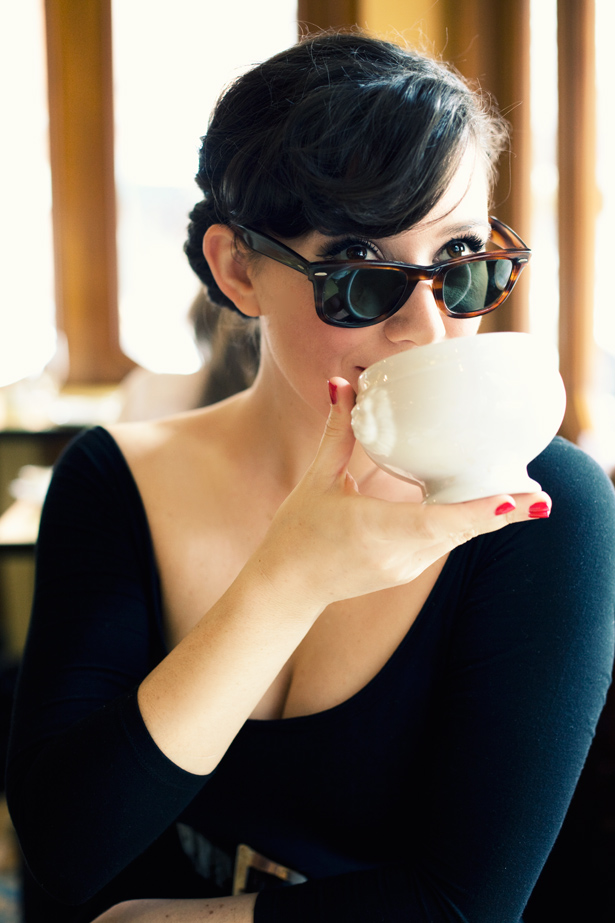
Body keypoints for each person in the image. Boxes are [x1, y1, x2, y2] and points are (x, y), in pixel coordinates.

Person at [6, 31, 615, 923]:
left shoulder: (541, 505)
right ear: (238, 270)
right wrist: (286, 580)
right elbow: (66, 847)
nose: (425, 328)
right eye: (360, 272)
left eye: (458, 263)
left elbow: (463, 906)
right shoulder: (116, 479)